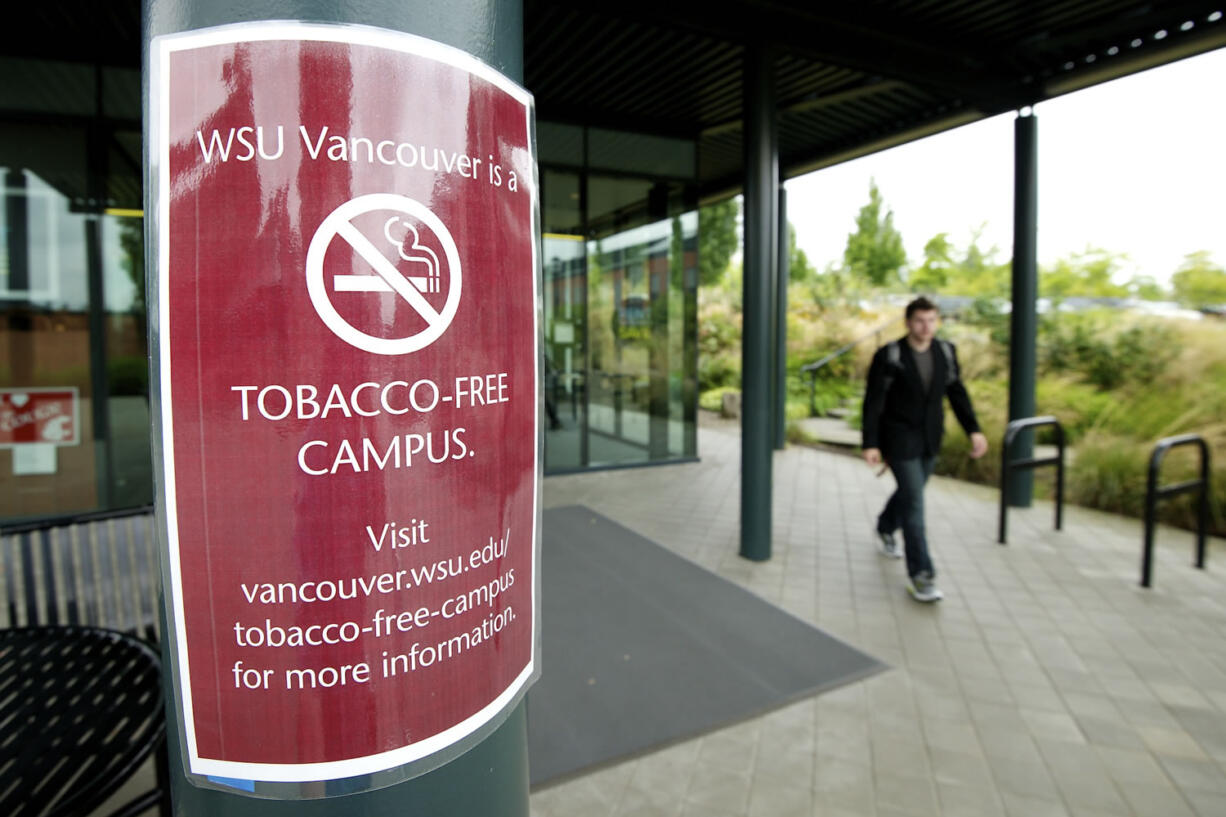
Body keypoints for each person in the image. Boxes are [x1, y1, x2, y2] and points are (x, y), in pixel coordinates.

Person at [861, 297, 988, 602]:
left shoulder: (946, 352)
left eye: (932, 320)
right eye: (920, 320)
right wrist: (870, 442)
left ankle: (885, 526)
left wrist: (974, 429)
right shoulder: (890, 355)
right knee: (916, 503)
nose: (926, 326)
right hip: (900, 439)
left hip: (931, 437)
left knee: (910, 494)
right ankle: (922, 574)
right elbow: (874, 401)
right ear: (907, 322)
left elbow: (957, 393)